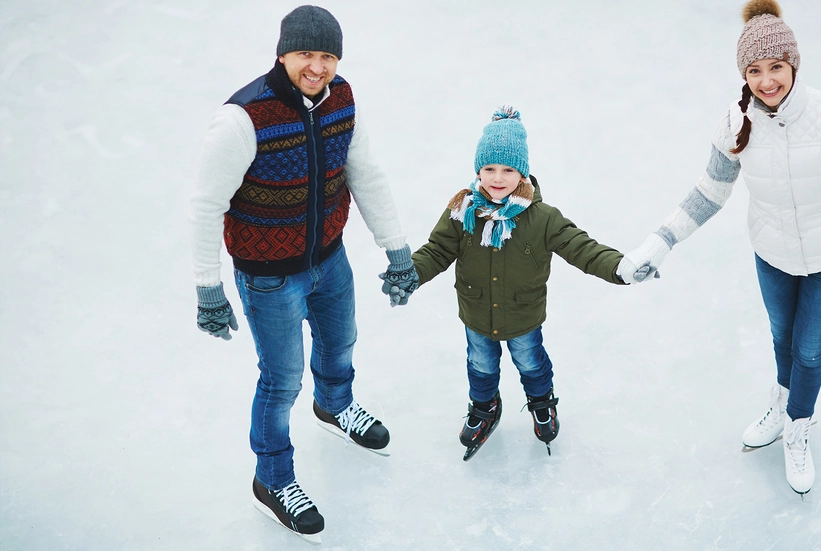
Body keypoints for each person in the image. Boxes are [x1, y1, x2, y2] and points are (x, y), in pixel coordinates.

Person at [617, 0, 821, 496]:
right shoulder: (735, 121)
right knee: (782, 337)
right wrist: (659, 243)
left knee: (809, 350)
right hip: (774, 254)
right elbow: (709, 191)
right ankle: (783, 401)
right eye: (755, 70)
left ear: (793, 66)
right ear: (744, 73)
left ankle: (797, 426)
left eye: (777, 68)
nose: (767, 81)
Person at [188, 5, 419, 541]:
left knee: (341, 343)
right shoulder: (243, 117)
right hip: (268, 274)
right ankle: (271, 479)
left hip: (329, 257)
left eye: (327, 56)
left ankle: (335, 405)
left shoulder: (341, 99)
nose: (316, 67)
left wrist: (397, 249)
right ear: (282, 53)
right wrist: (208, 289)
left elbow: (365, 172)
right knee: (281, 379)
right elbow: (204, 205)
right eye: (305, 55)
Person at [406, 106, 627, 461]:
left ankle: (542, 402)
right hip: (477, 312)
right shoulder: (463, 210)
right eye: (489, 169)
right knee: (480, 365)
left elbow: (581, 247)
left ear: (522, 173)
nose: (497, 178)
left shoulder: (542, 218)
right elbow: (436, 251)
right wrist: (411, 273)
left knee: (531, 363)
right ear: (477, 171)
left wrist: (619, 267)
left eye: (508, 169)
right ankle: (484, 406)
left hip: (523, 314)